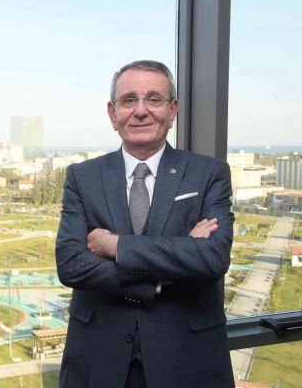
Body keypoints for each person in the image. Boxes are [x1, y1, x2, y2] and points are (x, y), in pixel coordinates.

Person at [55, 60, 235, 387]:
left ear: (173, 110)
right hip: (98, 357)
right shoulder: (82, 177)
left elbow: (212, 258)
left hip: (187, 357)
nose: (140, 111)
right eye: (128, 100)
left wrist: (115, 246)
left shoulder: (209, 173)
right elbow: (71, 264)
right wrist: (165, 273)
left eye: (153, 99)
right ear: (113, 113)